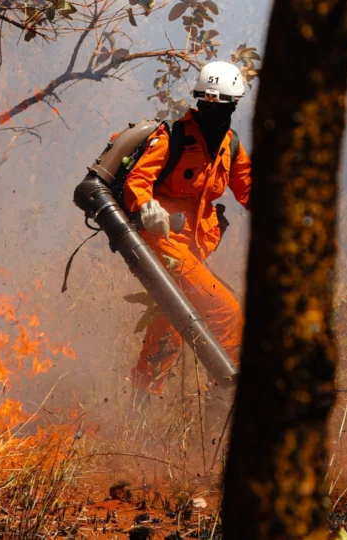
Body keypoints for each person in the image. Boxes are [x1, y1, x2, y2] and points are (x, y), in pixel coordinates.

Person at [123, 61, 251, 395]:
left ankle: (138, 410)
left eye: (221, 105)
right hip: (166, 246)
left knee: (169, 330)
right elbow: (138, 179)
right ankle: (224, 403)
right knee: (226, 312)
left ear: (234, 106)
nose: (213, 111)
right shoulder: (172, 137)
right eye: (206, 104)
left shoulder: (230, 147)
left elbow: (249, 189)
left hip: (195, 250)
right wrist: (145, 204)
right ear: (197, 101)